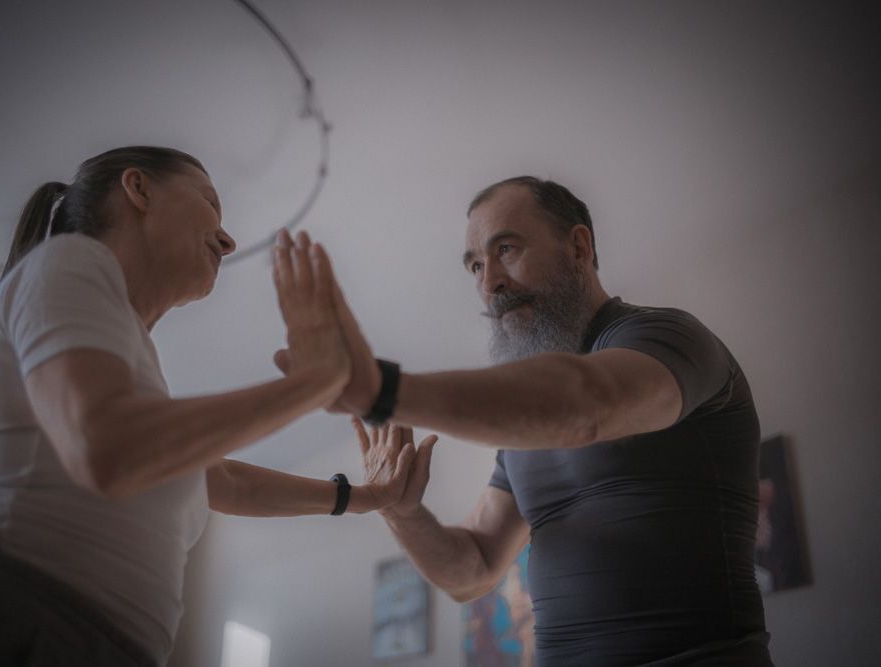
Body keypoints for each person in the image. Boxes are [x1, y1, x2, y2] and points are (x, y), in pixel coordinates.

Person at [0, 146, 413, 667]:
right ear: (138, 188)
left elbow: (229, 483)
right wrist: (312, 385)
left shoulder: (137, 379)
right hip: (5, 619)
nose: (228, 241)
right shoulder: (68, 260)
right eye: (209, 202)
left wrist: (369, 498)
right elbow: (106, 450)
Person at [277, 176, 774, 665]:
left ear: (578, 246)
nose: (489, 282)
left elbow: (588, 404)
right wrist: (402, 512)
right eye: (474, 265)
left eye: (506, 249)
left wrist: (384, 390)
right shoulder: (522, 435)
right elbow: (473, 569)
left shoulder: (667, 337)